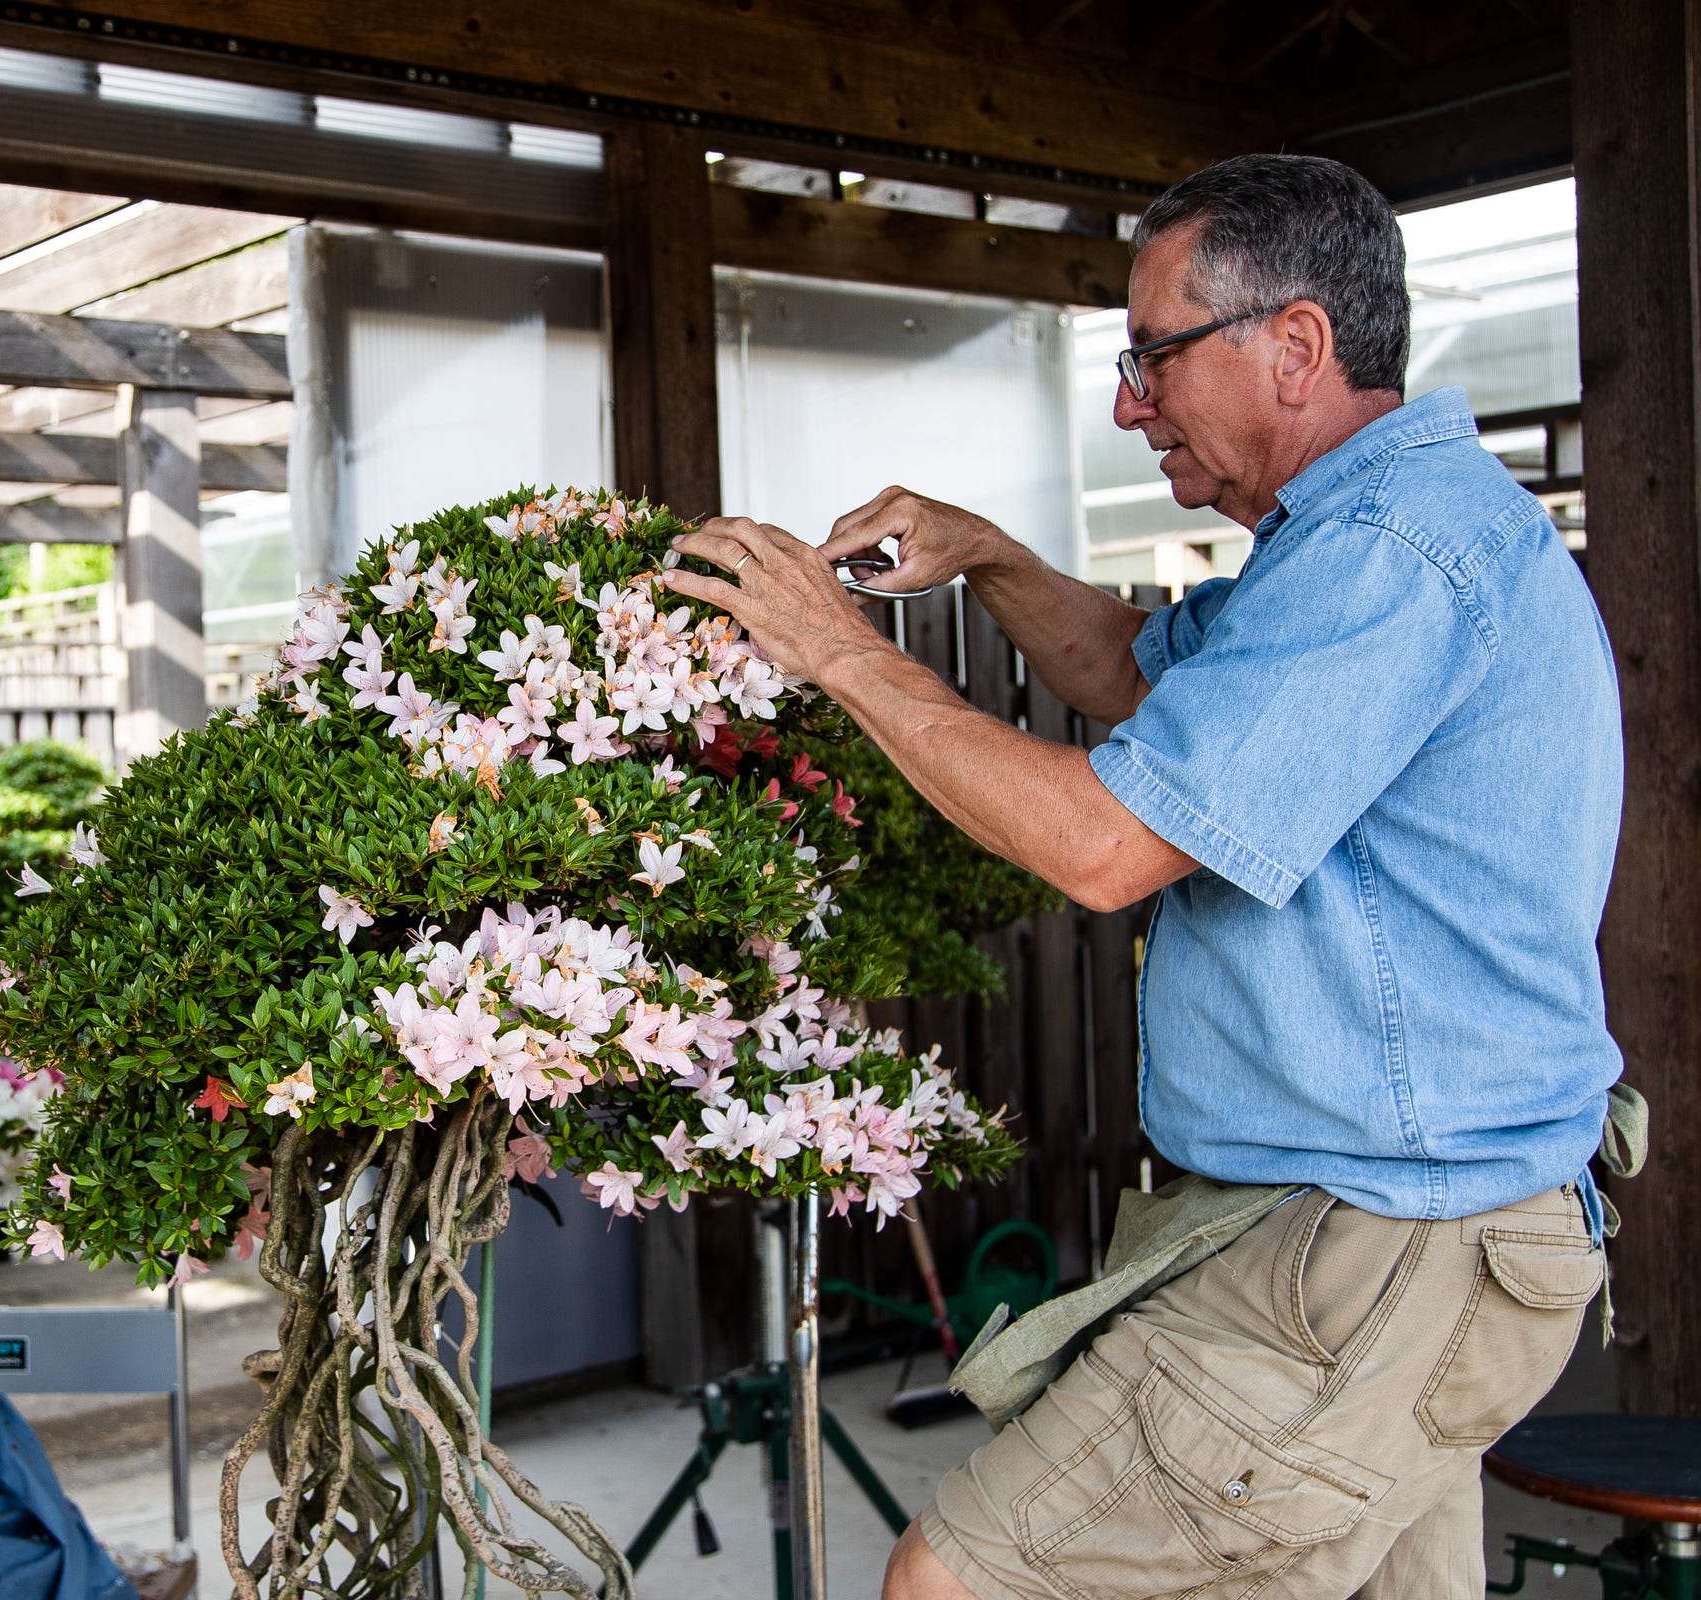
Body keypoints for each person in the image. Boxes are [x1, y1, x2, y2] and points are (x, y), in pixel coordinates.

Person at [666, 153, 1623, 1600]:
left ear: (1296, 344)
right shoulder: (1349, 548)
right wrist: (985, 558)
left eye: (1153, 355)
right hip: (1405, 1233)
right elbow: (1133, 672)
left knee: (954, 1582)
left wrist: (838, 650)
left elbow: (1105, 846)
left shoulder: (1392, 557)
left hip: (1382, 1245)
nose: (1128, 402)